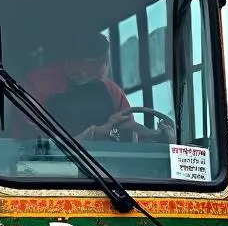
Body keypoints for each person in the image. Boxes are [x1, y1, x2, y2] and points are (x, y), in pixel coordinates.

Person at [23, 30, 174, 144]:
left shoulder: (110, 90)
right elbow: (32, 144)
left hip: (107, 172)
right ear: (71, 59)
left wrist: (154, 135)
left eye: (96, 67)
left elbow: (131, 135)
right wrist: (93, 133)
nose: (85, 74)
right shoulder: (37, 84)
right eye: (82, 66)